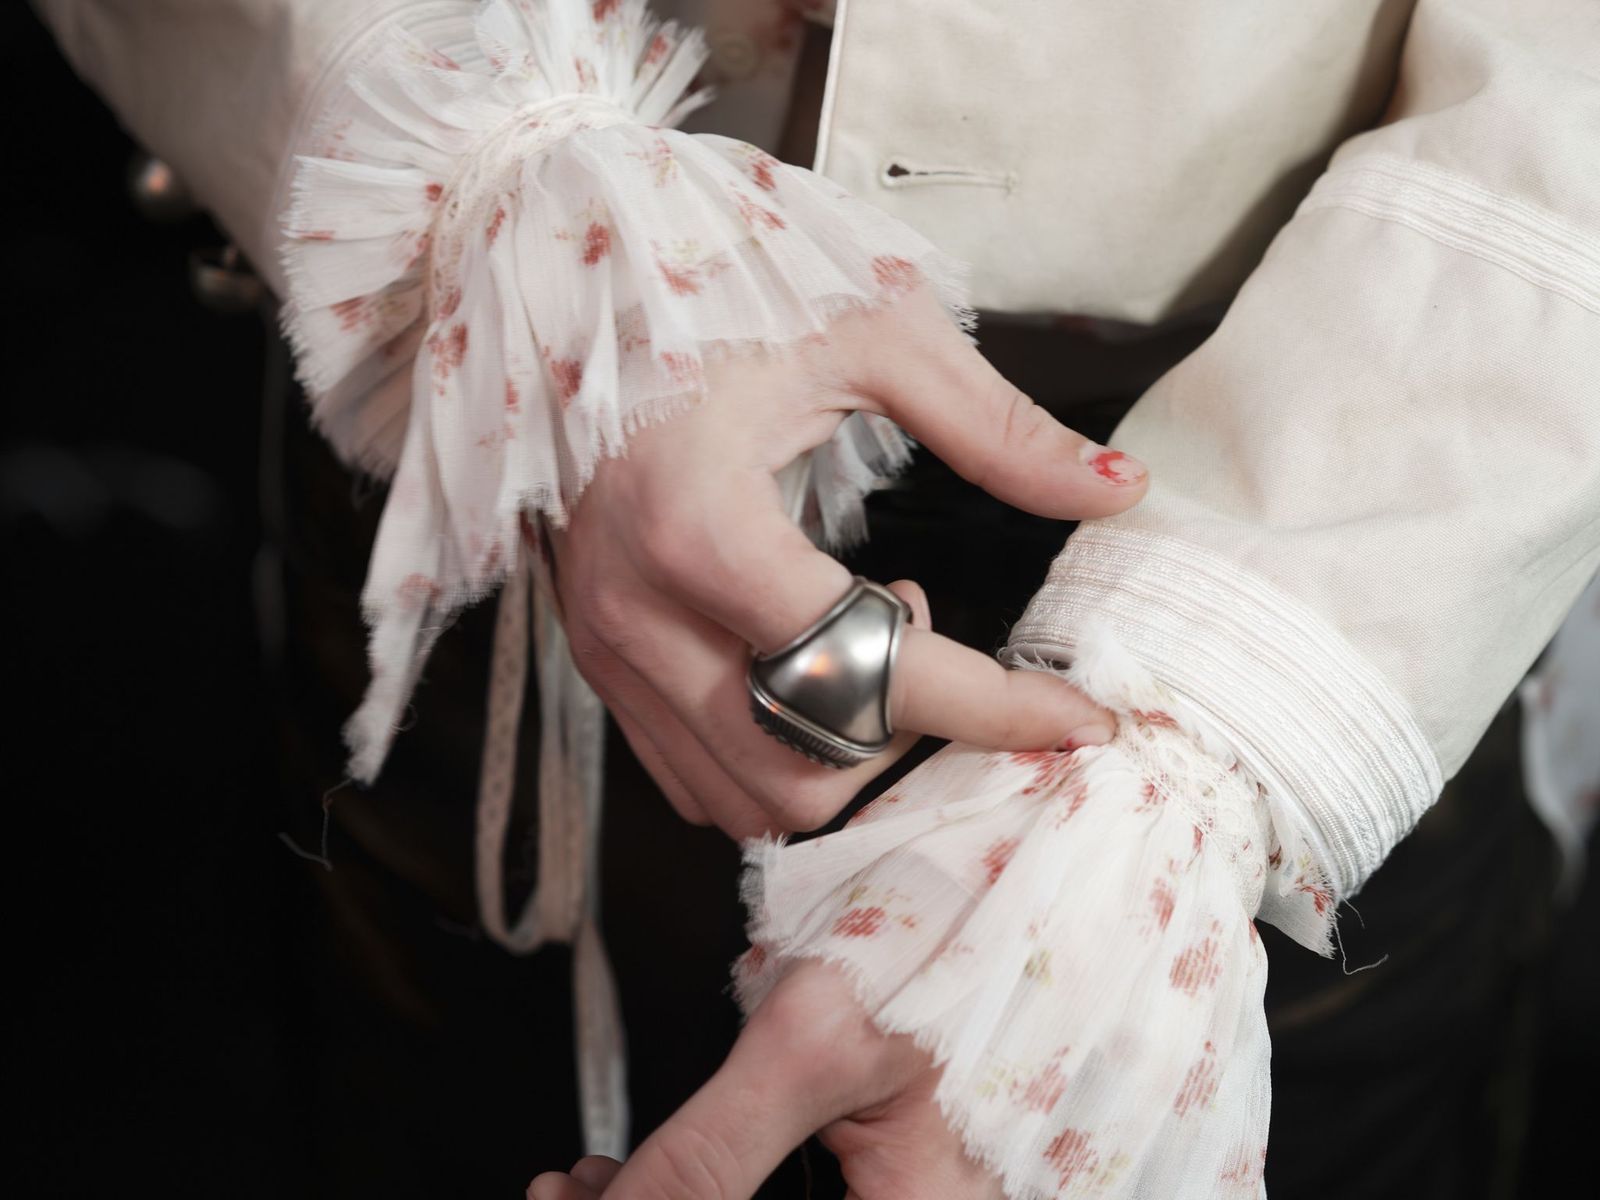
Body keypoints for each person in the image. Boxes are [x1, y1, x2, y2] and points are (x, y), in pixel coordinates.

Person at [37, 1, 1598, 1196]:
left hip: (1335, 516)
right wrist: (515, 195)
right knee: (450, 1093)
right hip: (512, 427)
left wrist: (1160, 799)